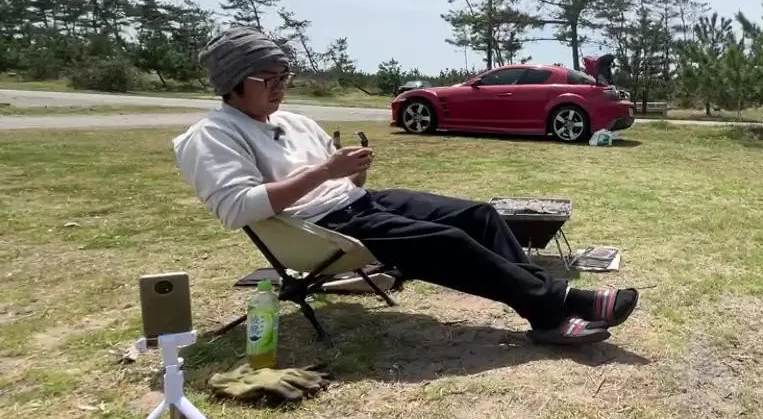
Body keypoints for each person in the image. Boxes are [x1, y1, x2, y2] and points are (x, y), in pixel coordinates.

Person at [172, 26, 638, 345]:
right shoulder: (213, 135)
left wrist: (352, 172)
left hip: (355, 202)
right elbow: (237, 209)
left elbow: (336, 177)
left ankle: (546, 304)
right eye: (268, 79)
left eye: (284, 77)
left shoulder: (291, 121)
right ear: (233, 82)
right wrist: (326, 173)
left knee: (478, 215)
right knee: (447, 241)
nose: (280, 87)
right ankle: (557, 305)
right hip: (317, 228)